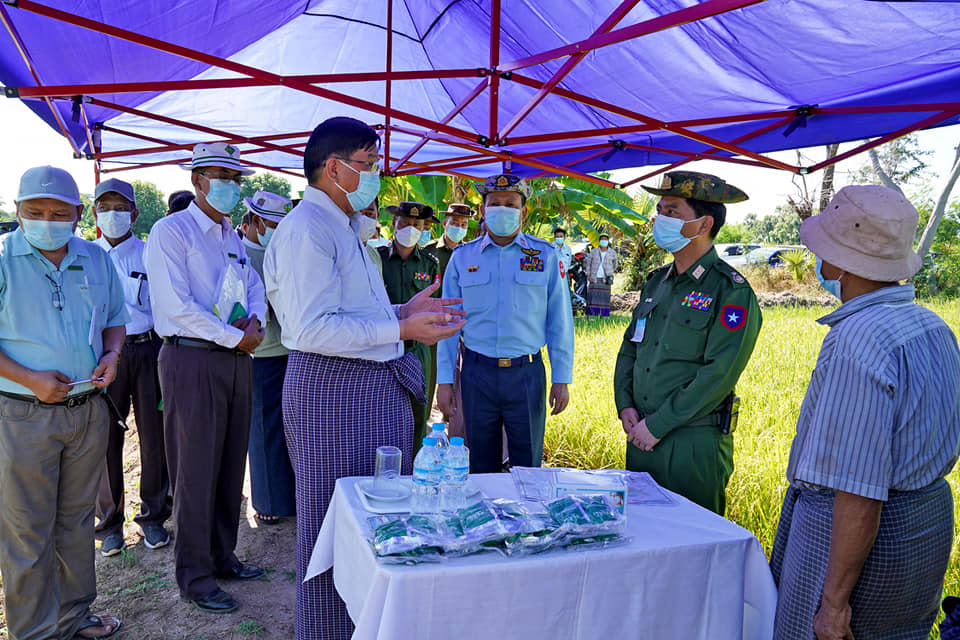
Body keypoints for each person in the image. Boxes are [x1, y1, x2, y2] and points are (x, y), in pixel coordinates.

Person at [263, 116, 464, 640]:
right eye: (368, 165)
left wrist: (404, 308)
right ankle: (329, 632)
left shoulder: (342, 227)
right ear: (335, 168)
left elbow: (348, 312)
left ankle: (367, 628)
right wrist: (401, 325)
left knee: (373, 523)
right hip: (334, 393)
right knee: (338, 532)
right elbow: (311, 328)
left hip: (361, 389)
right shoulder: (309, 230)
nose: (375, 177)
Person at [770, 185, 960, 640]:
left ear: (839, 264)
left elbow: (858, 489)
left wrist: (834, 603)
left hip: (851, 538)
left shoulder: (857, 339)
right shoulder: (932, 325)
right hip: (924, 523)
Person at [0, 166, 127, 640]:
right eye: (35, 211)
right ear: (18, 210)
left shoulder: (95, 258)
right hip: (22, 415)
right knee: (27, 531)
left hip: (85, 410)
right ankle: (34, 631)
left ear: (78, 215)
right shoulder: (3, 258)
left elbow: (115, 318)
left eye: (59, 213)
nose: (46, 220)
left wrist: (112, 356)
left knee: (75, 523)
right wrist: (30, 378)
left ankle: (75, 616)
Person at [144, 142, 267, 614]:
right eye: (220, 176)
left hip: (235, 358)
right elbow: (175, 308)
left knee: (230, 462)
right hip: (191, 358)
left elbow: (251, 284)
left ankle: (222, 554)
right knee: (195, 469)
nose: (230, 186)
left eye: (236, 178)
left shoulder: (231, 235)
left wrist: (254, 322)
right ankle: (195, 576)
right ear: (196, 180)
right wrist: (234, 338)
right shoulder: (170, 231)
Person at [613, 171, 760, 515]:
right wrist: (626, 406)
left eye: (672, 211)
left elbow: (719, 372)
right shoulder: (657, 283)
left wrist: (659, 425)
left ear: (704, 223)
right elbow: (630, 349)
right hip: (640, 436)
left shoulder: (729, 290)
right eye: (659, 210)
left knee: (693, 552)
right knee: (641, 543)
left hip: (690, 443)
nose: (659, 219)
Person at [437, 174, 574, 472]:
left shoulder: (545, 256)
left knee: (527, 465)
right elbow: (448, 323)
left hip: (526, 374)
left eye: (510, 204)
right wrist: (445, 380)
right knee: (480, 466)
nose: (502, 210)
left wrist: (562, 377)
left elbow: (559, 320)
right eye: (495, 203)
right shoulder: (462, 258)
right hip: (476, 373)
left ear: (523, 212)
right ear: (484, 210)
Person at [92, 178, 171, 557]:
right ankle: (109, 523)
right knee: (105, 437)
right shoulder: (84, 256)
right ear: (93, 214)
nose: (113, 215)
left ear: (135, 214)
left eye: (120, 208)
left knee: (155, 436)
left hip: (147, 349)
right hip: (103, 359)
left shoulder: (150, 253)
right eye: (105, 207)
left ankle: (154, 517)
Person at [240, 189, 296, 525]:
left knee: (286, 426)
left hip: (288, 350)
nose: (278, 230)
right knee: (263, 429)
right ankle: (268, 501)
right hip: (260, 355)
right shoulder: (241, 255)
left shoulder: (280, 251)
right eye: (274, 224)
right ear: (257, 221)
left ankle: (287, 495)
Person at [378, 201, 441, 451]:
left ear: (425, 228)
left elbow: (435, 306)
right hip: (383, 347)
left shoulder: (430, 263)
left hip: (417, 351)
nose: (410, 228)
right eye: (404, 223)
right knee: (381, 414)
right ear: (394, 223)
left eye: (416, 225)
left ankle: (414, 470)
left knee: (417, 414)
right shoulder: (378, 259)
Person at [424, 203, 475, 440]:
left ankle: (452, 420)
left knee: (458, 375)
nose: (458, 228)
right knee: (431, 375)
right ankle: (426, 420)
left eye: (463, 225)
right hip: (432, 324)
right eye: (454, 223)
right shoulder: (429, 251)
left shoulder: (470, 254)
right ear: (445, 223)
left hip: (459, 326)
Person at [585, 232, 618, 316]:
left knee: (604, 297)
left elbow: (615, 264)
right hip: (594, 277)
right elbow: (588, 264)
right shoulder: (594, 251)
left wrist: (610, 272)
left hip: (606, 278)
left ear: (608, 241)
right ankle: (592, 314)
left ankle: (604, 315)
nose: (604, 241)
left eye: (605, 239)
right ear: (599, 241)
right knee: (593, 297)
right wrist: (589, 275)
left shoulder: (612, 252)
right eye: (602, 239)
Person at [351, 196, 383, 276]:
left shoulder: (374, 254)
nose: (363, 218)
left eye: (369, 214)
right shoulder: (339, 252)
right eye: (358, 213)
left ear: (377, 216)